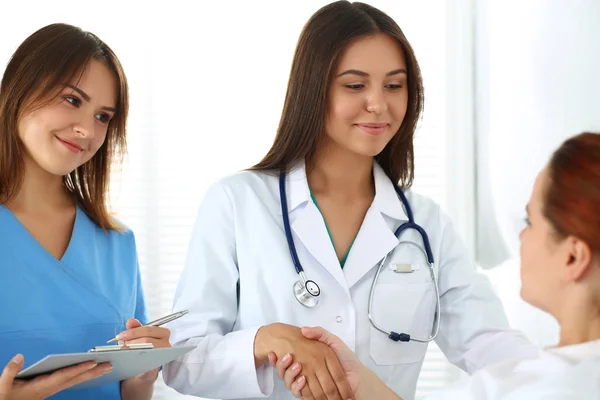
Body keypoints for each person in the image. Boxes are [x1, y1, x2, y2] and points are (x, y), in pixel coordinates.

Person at [163, 2, 535, 399]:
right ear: (313, 89)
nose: (378, 103)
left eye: (394, 85)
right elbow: (180, 359)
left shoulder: (426, 225)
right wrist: (264, 341)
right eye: (355, 85)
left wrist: (574, 366)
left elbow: (494, 348)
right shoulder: (237, 203)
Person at [273, 132, 600, 400]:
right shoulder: (549, 378)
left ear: (573, 257)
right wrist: (363, 384)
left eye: (530, 220)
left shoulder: (531, 388)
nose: (521, 234)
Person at [0, 23, 170, 399]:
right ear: (19, 90)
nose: (86, 131)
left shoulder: (117, 243)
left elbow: (127, 393)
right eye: (73, 100)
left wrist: (143, 374)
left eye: (103, 116)